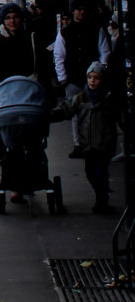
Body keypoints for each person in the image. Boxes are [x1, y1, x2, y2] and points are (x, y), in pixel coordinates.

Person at [52, 61, 120, 213]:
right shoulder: (82, 98)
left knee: (100, 172)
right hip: (87, 144)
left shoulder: (109, 100)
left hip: (104, 143)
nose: (92, 81)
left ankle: (102, 200)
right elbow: (66, 108)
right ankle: (101, 196)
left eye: (96, 78)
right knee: (90, 173)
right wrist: (51, 114)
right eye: (90, 77)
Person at [53, 0, 104, 157]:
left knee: (94, 112)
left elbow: (105, 52)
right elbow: (59, 55)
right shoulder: (66, 32)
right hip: (74, 78)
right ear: (73, 11)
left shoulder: (95, 29)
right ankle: (79, 143)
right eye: (78, 9)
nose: (80, 12)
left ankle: (90, 143)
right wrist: (64, 79)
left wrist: (101, 71)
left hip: (88, 78)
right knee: (78, 113)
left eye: (83, 9)